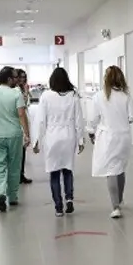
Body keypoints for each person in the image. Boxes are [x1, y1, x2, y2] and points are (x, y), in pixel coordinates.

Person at [87, 66, 133, 219]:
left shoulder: (98, 96)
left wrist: (91, 131)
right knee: (120, 168)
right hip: (123, 136)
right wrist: (123, 121)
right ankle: (120, 199)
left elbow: (93, 119)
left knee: (111, 171)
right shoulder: (125, 96)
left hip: (108, 137)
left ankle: (115, 206)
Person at [32, 68, 84, 217]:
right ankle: (69, 199)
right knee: (68, 170)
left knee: (54, 172)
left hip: (52, 136)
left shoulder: (46, 96)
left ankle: (58, 207)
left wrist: (36, 141)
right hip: (69, 135)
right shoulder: (73, 95)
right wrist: (81, 139)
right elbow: (79, 119)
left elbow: (41, 120)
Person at [0, 66, 31, 212]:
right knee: (14, 166)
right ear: (9, 79)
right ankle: (13, 197)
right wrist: (27, 134)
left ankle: (0, 194)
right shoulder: (16, 95)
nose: (17, 80)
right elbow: (22, 115)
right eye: (15, 77)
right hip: (14, 135)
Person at [14, 69, 33, 184]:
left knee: (22, 150)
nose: (22, 79)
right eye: (20, 77)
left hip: (24, 119)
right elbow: (23, 104)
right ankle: (17, 175)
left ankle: (21, 174)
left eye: (24, 77)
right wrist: (25, 92)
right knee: (17, 151)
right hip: (18, 121)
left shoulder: (22, 89)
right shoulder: (15, 90)